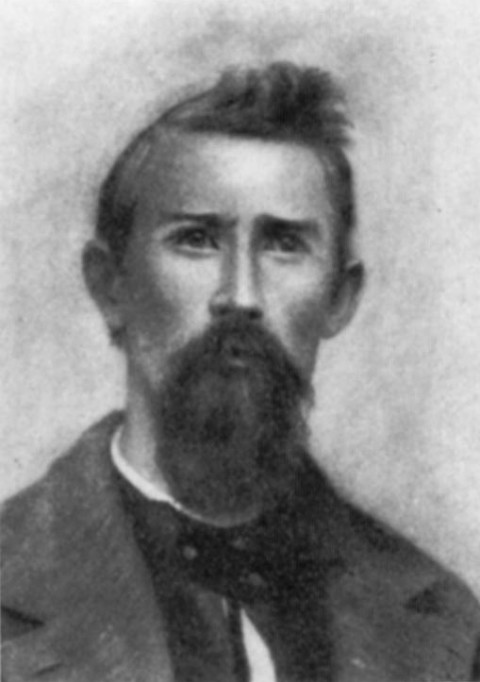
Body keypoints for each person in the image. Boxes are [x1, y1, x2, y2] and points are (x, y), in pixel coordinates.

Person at [2, 62, 480, 682]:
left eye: (284, 244)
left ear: (339, 298)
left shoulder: (445, 627)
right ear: (110, 285)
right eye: (197, 239)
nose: (242, 294)